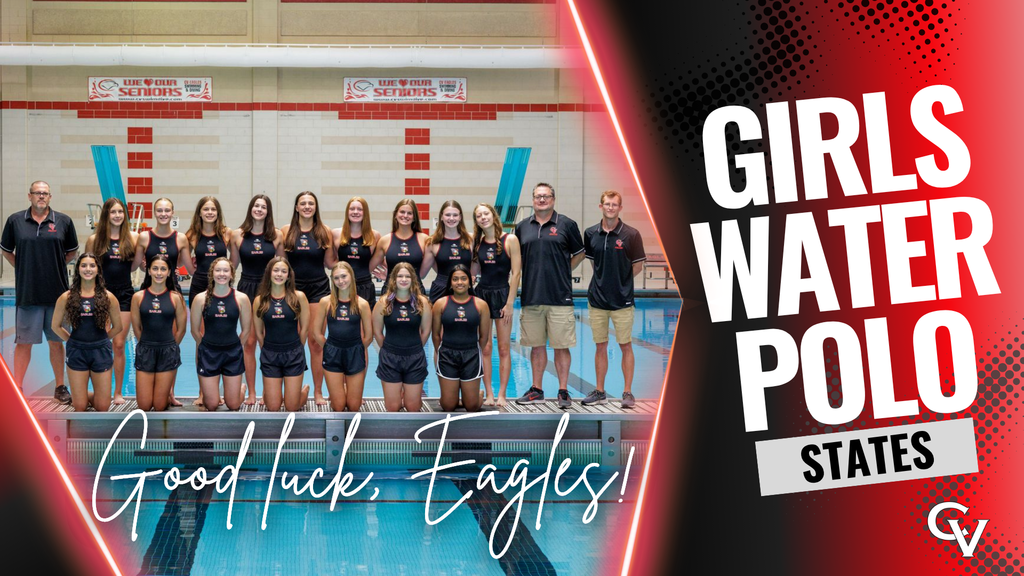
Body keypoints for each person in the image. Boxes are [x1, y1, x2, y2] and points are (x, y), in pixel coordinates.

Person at [0, 181, 79, 402]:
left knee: (57, 342)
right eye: (37, 193)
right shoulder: (15, 221)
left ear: (50, 197)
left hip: (57, 295)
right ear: (30, 196)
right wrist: (23, 266)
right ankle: (18, 389)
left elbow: (71, 253)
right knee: (23, 343)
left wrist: (52, 267)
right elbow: (6, 251)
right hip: (28, 294)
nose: (41, 197)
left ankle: (60, 387)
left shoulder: (63, 221)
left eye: (45, 193)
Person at [514, 183, 585, 408]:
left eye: (546, 196)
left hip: (559, 297)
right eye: (538, 196)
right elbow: (517, 259)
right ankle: (537, 389)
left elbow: (580, 253)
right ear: (533, 199)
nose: (542, 200)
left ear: (553, 199)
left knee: (561, 346)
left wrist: (563, 270)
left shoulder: (567, 224)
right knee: (536, 346)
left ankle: (563, 391)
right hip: (532, 295)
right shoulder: (522, 227)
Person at [580, 190, 647, 408]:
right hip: (597, 300)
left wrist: (621, 282)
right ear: (600, 206)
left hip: (622, 302)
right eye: (607, 204)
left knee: (625, 345)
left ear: (620, 208)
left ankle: (627, 392)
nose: (610, 207)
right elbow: (594, 263)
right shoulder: (590, 233)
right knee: (600, 346)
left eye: (614, 204)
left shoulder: (631, 234)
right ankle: (600, 391)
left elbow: (637, 265)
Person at [282, 191, 336, 406]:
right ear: (296, 207)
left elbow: (331, 262)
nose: (306, 206)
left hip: (318, 289)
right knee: (294, 341)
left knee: (315, 342)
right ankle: (294, 390)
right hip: (292, 290)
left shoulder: (324, 231)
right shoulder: (287, 231)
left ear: (315, 207)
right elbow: (282, 263)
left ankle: (318, 391)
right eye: (302, 203)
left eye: (310, 203)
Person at [51, 254, 122, 412]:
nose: (88, 269)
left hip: (100, 351)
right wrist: (71, 341)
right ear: (78, 269)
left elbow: (118, 327)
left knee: (103, 407)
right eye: (84, 266)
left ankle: (83, 395)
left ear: (98, 270)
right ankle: (79, 397)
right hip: (77, 351)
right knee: (80, 406)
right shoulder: (66, 297)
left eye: (92, 266)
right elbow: (55, 326)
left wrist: (103, 340)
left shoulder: (108, 297)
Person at [230, 194, 282, 405]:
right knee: (249, 343)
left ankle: (270, 391)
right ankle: (251, 392)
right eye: (256, 206)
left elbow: (281, 267)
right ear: (251, 208)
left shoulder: (276, 236)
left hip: (270, 289)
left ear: (268, 211)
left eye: (263, 207)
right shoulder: (237, 235)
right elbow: (232, 266)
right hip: (246, 289)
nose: (259, 209)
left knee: (269, 342)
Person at [85, 197, 138, 405]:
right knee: (101, 343)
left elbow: (134, 267)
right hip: (101, 294)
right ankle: (101, 390)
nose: (117, 216)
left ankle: (117, 392)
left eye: (120, 212)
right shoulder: (94, 240)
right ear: (106, 215)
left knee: (118, 344)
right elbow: (88, 269)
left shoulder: (132, 238)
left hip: (124, 294)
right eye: (113, 212)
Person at [471, 203, 521, 407]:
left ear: (493, 215)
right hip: (482, 295)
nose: (483, 218)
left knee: (503, 348)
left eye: (486, 213)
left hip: (502, 294)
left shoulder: (510, 239)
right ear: (476, 221)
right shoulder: (478, 243)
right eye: (478, 216)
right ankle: (489, 393)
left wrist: (510, 303)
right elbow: (473, 273)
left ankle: (502, 394)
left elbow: (516, 273)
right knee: (485, 347)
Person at [190, 258, 251, 412]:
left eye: (225, 270)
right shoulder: (200, 299)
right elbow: (195, 330)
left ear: (231, 274)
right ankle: (218, 393)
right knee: (211, 405)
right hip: (209, 353)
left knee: (233, 405)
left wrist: (236, 347)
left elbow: (246, 329)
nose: (221, 274)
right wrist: (205, 346)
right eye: (218, 270)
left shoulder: (241, 298)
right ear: (212, 274)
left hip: (232, 354)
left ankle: (241, 390)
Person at [311, 262, 373, 413]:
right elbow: (316, 332)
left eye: (344, 276)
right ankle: (340, 390)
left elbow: (369, 336)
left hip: (355, 353)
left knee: (353, 407)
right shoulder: (326, 302)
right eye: (337, 278)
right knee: (338, 407)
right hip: (333, 353)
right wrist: (328, 347)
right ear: (333, 280)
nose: (341, 281)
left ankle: (347, 390)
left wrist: (357, 348)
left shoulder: (362, 304)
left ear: (351, 276)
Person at [253, 257, 311, 412]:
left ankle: (303, 392)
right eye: (276, 270)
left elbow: (305, 328)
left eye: (283, 271)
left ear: (288, 275)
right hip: (270, 354)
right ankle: (274, 393)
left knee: (292, 407)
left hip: (293, 353)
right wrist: (265, 348)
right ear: (269, 273)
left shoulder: (298, 297)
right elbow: (259, 331)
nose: (279, 274)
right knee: (273, 407)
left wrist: (298, 348)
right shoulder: (260, 300)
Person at [372, 262, 431, 412]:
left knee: (413, 408)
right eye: (400, 276)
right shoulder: (384, 303)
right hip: (390, 358)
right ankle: (401, 393)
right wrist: (388, 349)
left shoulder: (422, 302)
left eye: (407, 276)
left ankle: (409, 394)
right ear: (393, 279)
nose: (403, 279)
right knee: (392, 408)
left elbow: (425, 331)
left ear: (413, 279)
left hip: (415, 357)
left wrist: (415, 348)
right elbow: (377, 332)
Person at [131, 254, 187, 411]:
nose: (159, 273)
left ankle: (165, 395)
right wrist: (146, 345)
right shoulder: (138, 297)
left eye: (163, 269)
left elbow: (181, 329)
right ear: (148, 270)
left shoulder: (175, 297)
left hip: (167, 350)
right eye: (155, 268)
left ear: (169, 272)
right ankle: (160, 392)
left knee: (159, 406)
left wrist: (171, 347)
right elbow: (136, 328)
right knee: (144, 406)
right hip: (146, 350)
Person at [431, 265, 491, 412]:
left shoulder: (480, 305)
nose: (460, 282)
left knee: (471, 407)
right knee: (448, 406)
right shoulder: (441, 304)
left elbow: (483, 336)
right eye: (455, 279)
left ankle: (477, 394)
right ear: (450, 283)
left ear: (470, 282)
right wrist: (441, 350)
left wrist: (475, 351)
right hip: (447, 355)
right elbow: (436, 334)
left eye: (463, 279)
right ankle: (454, 396)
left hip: (471, 355)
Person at [368, 199, 429, 293]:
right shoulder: (385, 240)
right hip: (390, 292)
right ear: (395, 215)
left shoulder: (424, 239)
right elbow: (369, 268)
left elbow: (422, 275)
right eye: (402, 212)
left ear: (414, 217)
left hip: (415, 292)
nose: (405, 216)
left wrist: (402, 280)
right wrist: (390, 275)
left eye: (409, 213)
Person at [332, 196, 380, 310]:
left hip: (365, 287)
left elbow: (381, 261)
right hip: (341, 286)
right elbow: (331, 261)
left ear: (365, 213)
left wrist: (387, 274)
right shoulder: (336, 234)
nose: (355, 212)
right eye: (352, 209)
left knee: (366, 326)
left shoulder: (375, 236)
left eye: (360, 209)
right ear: (347, 212)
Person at [423, 200, 474, 304]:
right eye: (448, 215)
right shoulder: (432, 242)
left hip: (464, 288)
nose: (451, 218)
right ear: (441, 217)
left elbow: (477, 264)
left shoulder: (471, 239)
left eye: (455, 215)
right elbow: (422, 273)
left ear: (460, 217)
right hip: (441, 288)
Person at [185, 196, 231, 309]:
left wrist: (226, 274)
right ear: (199, 213)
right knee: (198, 322)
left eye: (213, 209)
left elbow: (234, 261)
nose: (210, 212)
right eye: (206, 209)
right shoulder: (192, 234)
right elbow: (185, 263)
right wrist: (194, 270)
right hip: (199, 283)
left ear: (218, 213)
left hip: (221, 283)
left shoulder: (226, 233)